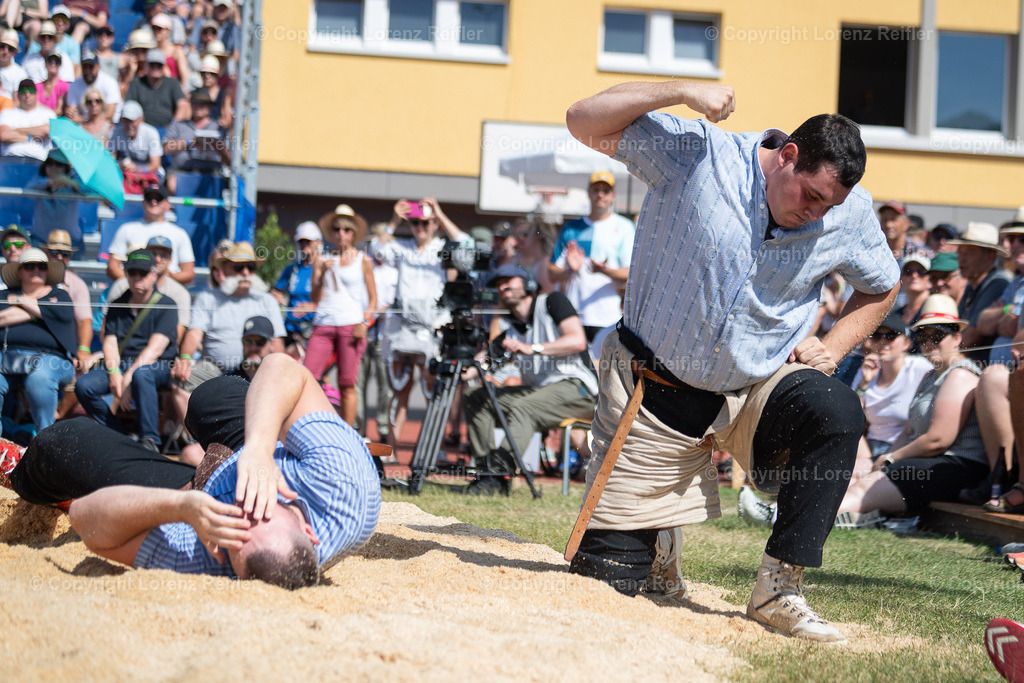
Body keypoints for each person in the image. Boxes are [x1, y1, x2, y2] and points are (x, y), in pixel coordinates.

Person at [564, 80, 900, 642]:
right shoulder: (698, 153)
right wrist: (677, 91)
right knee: (603, 584)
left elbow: (882, 287)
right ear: (787, 155)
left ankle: (778, 588)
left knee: (835, 410)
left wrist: (837, 345)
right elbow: (582, 121)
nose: (816, 214)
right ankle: (655, 539)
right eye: (810, 196)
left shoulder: (849, 213)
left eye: (829, 206)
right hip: (652, 392)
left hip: (755, 386)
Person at [9, 353, 381, 588]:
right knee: (210, 398)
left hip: (196, 495)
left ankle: (18, 469)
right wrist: (259, 451)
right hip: (276, 452)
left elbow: (85, 518)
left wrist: (183, 507)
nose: (240, 501)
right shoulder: (346, 487)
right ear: (308, 530)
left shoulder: (208, 556)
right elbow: (282, 366)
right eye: (260, 508)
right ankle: (244, 445)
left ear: (224, 553)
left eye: (233, 522)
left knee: (65, 442)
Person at [837, 295, 987, 523]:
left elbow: (938, 440)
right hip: (929, 462)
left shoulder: (960, 374)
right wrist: (884, 458)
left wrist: (890, 459)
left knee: (867, 485)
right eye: (922, 336)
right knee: (854, 471)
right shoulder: (929, 376)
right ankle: (792, 510)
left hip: (957, 466)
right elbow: (908, 431)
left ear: (956, 338)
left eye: (937, 335)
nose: (929, 343)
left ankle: (807, 519)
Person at [462, 265, 597, 494]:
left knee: (523, 407)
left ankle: (501, 472)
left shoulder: (552, 301)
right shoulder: (505, 323)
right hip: (539, 391)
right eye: (497, 283)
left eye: (509, 280)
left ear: (528, 284)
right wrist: (461, 368)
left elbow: (577, 341)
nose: (502, 286)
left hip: (578, 388)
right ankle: (487, 476)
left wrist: (532, 348)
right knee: (475, 396)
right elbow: (486, 359)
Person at [373, 197, 469, 450]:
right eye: (415, 222)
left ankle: (431, 452)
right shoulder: (402, 247)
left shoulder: (442, 248)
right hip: (404, 329)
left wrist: (440, 212)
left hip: (431, 331)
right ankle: (390, 453)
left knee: (432, 393)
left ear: (435, 224)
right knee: (399, 392)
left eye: (426, 222)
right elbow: (377, 250)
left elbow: (467, 245)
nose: (420, 227)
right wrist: (394, 221)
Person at [75, 248, 176, 451]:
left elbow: (154, 350)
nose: (137, 277)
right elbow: (110, 343)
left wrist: (128, 377)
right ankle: (118, 435)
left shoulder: (167, 305)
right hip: (121, 364)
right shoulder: (116, 305)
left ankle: (149, 440)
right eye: (132, 272)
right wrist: (114, 373)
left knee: (142, 374)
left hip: (157, 366)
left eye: (143, 273)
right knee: (84, 385)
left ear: (154, 275)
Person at [171, 241, 285, 393]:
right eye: (239, 267)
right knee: (179, 379)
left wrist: (279, 369)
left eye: (250, 267)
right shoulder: (208, 298)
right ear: (225, 269)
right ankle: (190, 418)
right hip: (214, 370)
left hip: (256, 368)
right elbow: (194, 333)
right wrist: (185, 358)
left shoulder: (266, 300)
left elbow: (276, 341)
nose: (245, 272)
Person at [305, 204, 375, 427]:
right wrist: (322, 272)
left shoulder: (363, 260)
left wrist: (365, 322)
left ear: (354, 233)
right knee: (307, 377)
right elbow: (315, 297)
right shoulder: (322, 258)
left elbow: (374, 299)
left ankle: (348, 433)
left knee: (347, 383)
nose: (341, 234)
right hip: (324, 323)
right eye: (336, 229)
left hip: (350, 325)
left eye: (346, 229)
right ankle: (311, 424)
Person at [548, 171, 635, 343]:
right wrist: (570, 271)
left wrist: (605, 271)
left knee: (601, 367)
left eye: (605, 190)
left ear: (613, 196)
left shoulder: (624, 227)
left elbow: (631, 274)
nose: (600, 194)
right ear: (589, 192)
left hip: (607, 316)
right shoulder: (572, 227)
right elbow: (551, 273)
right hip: (573, 316)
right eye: (596, 190)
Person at [0, 247, 76, 431]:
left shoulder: (60, 295)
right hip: (7, 357)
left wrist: (21, 301)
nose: (36, 270)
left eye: (41, 266)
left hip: (52, 359)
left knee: (40, 379)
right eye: (30, 266)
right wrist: (42, 311)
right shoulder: (3, 295)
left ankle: (44, 440)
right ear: (19, 271)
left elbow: (63, 315)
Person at [104, 234, 190, 345]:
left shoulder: (180, 292)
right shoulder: (121, 285)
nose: (158, 260)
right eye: (153, 254)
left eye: (163, 256)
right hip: (122, 353)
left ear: (170, 260)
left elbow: (176, 336)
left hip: (159, 356)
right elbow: (106, 329)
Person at [106, 182, 195, 285]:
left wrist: (165, 279)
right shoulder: (126, 229)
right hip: (132, 289)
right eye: (149, 198)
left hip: (167, 289)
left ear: (167, 204)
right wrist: (135, 284)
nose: (153, 202)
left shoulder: (179, 234)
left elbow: (188, 273)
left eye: (158, 199)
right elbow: (112, 267)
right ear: (143, 202)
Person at [949, 222, 1011, 362]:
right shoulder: (973, 284)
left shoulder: (998, 284)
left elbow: (971, 336)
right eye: (960, 253)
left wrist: (945, 355)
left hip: (982, 367)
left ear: (989, 257)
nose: (961, 259)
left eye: (969, 253)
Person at [162, 88, 229, 194]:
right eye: (195, 103)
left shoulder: (218, 128)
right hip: (181, 171)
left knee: (219, 186)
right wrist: (190, 142)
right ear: (191, 105)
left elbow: (229, 161)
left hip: (212, 173)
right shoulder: (178, 125)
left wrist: (218, 146)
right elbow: (166, 149)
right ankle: (175, 210)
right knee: (172, 184)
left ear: (210, 107)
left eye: (203, 103)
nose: (199, 106)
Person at [271, 220, 319, 358]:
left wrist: (312, 306)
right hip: (291, 330)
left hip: (314, 330)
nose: (304, 245)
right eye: (301, 242)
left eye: (308, 241)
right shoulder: (292, 269)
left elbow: (332, 299)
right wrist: (285, 303)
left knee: (315, 373)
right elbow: (276, 292)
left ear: (317, 242)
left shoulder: (322, 269)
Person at [44, 229, 91, 369]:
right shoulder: (34, 277)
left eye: (65, 254)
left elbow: (84, 321)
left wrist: (83, 349)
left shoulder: (77, 284)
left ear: (70, 256)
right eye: (55, 253)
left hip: (65, 349)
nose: (59, 257)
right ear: (46, 254)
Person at [26, 147, 80, 246]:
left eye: (58, 164)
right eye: (49, 163)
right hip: (40, 241)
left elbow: (91, 198)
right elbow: (27, 192)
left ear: (65, 168)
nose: (53, 167)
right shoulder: (39, 180)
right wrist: (47, 183)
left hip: (70, 242)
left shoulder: (74, 182)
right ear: (45, 166)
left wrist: (74, 184)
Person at [124, 48, 188, 129]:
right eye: (152, 64)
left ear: (164, 67)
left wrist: (173, 125)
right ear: (146, 65)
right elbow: (129, 105)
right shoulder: (136, 83)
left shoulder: (173, 83)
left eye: (159, 65)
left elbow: (182, 105)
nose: (155, 68)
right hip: (142, 128)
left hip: (168, 128)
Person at [107, 99, 163, 188]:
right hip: (125, 175)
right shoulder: (114, 133)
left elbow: (155, 165)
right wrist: (121, 166)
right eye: (126, 120)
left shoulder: (151, 132)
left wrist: (136, 169)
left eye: (132, 120)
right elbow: (110, 160)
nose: (129, 124)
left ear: (141, 119)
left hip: (149, 176)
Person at [0, 78, 55, 160]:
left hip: (38, 161)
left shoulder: (48, 114)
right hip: (11, 160)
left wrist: (17, 130)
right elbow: (4, 135)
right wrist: (32, 138)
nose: (27, 94)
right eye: (23, 91)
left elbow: (47, 131)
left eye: (31, 90)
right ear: (18, 94)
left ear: (36, 94)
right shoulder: (7, 113)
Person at [65, 48, 121, 124]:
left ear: (98, 66)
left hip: (107, 127)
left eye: (91, 67)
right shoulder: (74, 85)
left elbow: (109, 115)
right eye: (85, 67)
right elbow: (71, 112)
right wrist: (71, 114)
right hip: (83, 127)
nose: (87, 71)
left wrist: (85, 121)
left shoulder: (110, 83)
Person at [148, 11, 187, 86]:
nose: (156, 31)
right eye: (154, 28)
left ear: (168, 31)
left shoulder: (177, 51)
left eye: (159, 29)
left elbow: (185, 77)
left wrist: (179, 95)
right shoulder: (151, 51)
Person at [118, 29, 156, 98]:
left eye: (144, 49)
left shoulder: (157, 68)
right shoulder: (125, 69)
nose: (140, 52)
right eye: (136, 49)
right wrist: (131, 72)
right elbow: (122, 95)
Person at [899, 253, 932, 327]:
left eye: (921, 272)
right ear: (901, 279)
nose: (914, 276)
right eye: (908, 272)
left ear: (930, 279)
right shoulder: (896, 315)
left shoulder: (934, 310)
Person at [0, 28, 28, 99]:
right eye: (2, 46)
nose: (5, 52)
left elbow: (18, 101)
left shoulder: (20, 74)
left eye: (10, 48)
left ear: (15, 53)